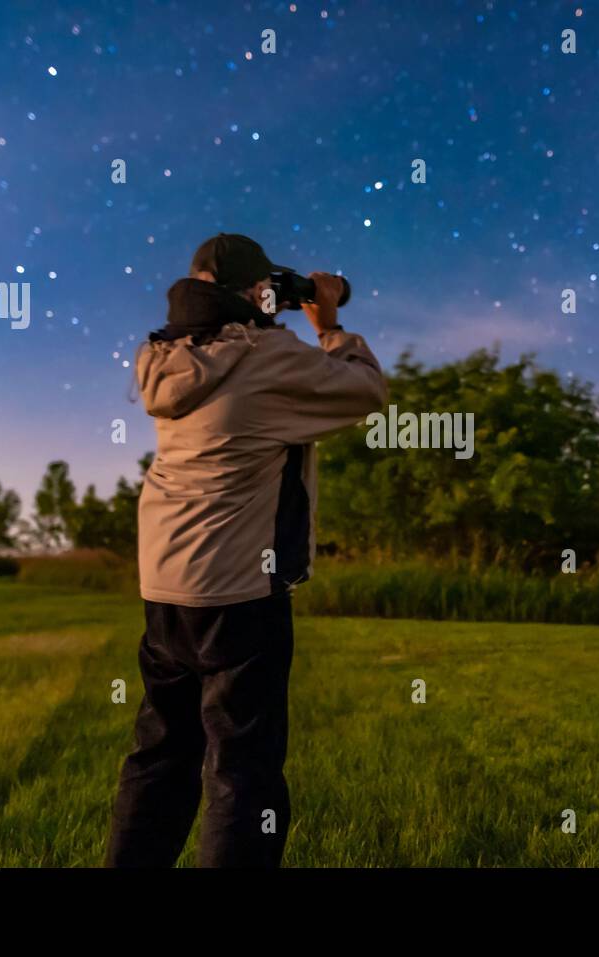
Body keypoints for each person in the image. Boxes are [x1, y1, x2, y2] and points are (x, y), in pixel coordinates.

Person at [105, 233, 387, 867]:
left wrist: (264, 306)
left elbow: (223, 339)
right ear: (252, 292)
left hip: (165, 589)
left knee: (160, 758)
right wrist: (329, 321)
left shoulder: (162, 355)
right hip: (240, 593)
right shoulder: (268, 356)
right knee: (243, 773)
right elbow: (365, 391)